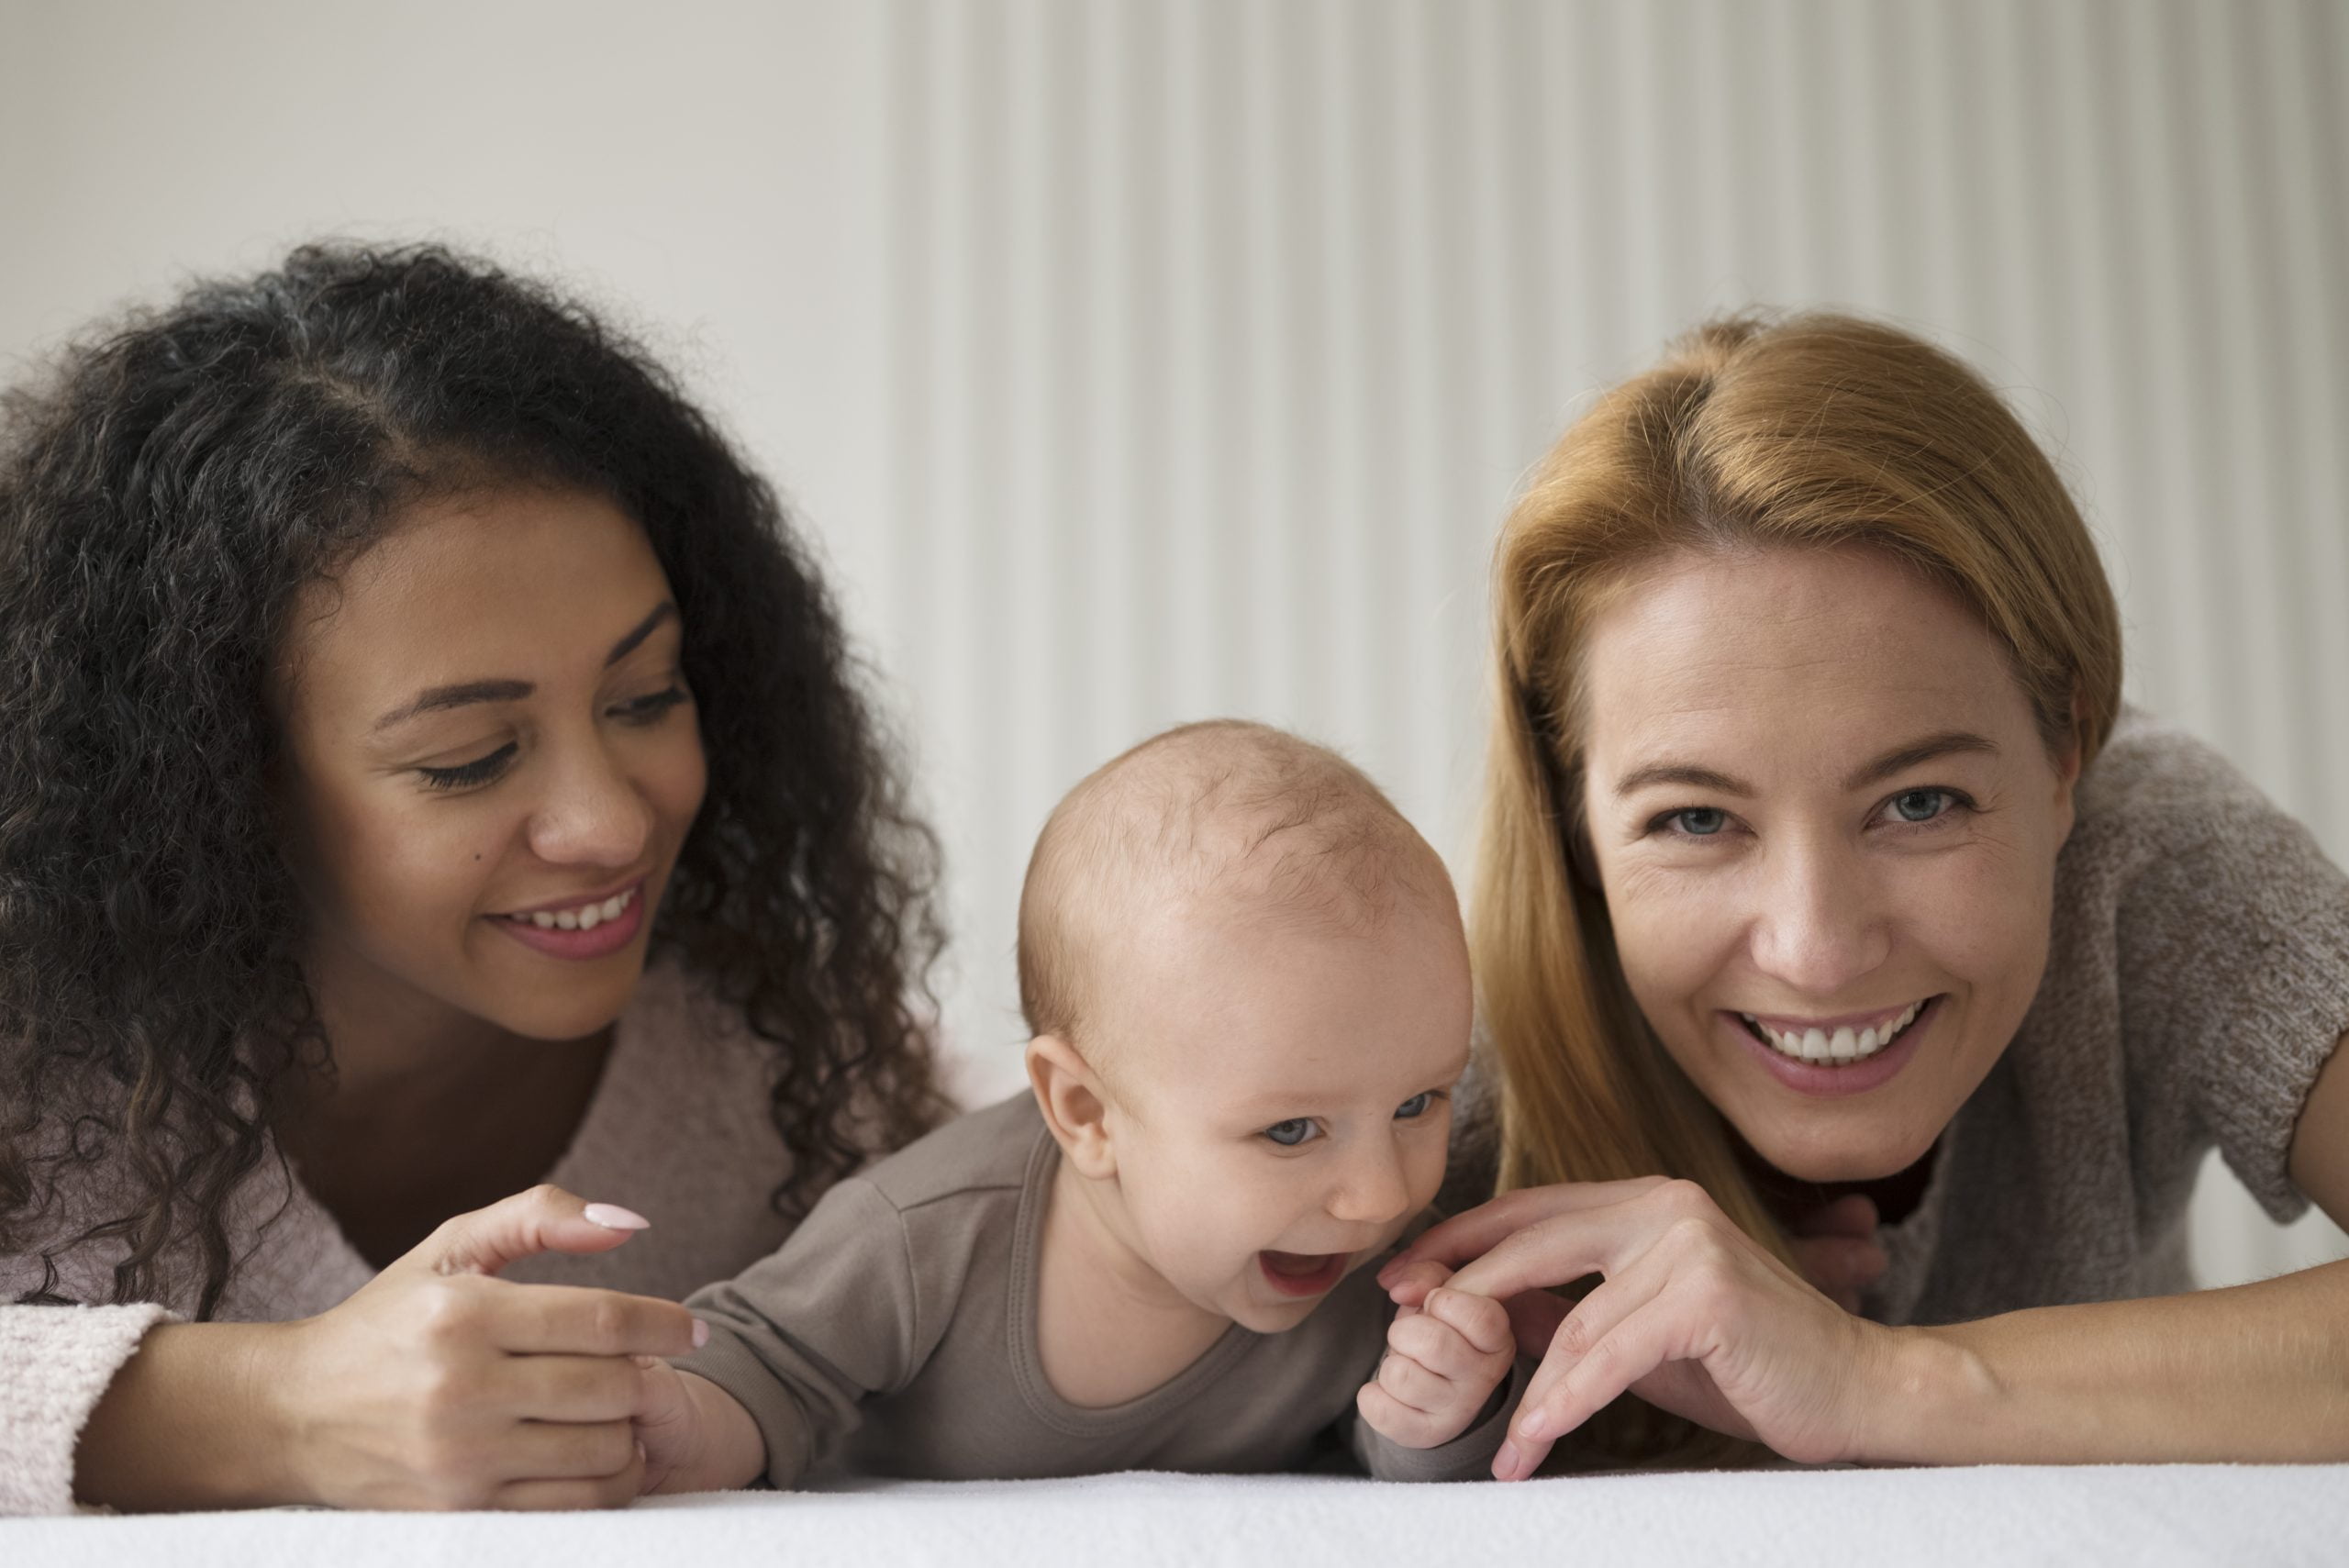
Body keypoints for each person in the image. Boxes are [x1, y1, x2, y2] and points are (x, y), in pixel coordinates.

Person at [0, 244, 948, 1513]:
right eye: (469, 757)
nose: (610, 824)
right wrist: (275, 1408)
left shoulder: (783, 1059)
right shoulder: (39, 1040)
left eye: (648, 695)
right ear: (217, 786)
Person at [1382, 312, 2349, 1477]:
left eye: (1920, 802)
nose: (1818, 950)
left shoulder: (2157, 858)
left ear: (2063, 759)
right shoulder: (1432, 1045)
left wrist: (1873, 1377)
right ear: (1574, 819)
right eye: (1695, 818)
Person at [632, 721, 1524, 1491]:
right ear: (1086, 1111)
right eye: (1290, 1129)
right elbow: (764, 1361)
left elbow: (1390, 1466)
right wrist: (674, 1428)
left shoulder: (1380, 1266)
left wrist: (1433, 1415)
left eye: (1419, 1100)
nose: (1377, 1192)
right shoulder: (924, 1234)